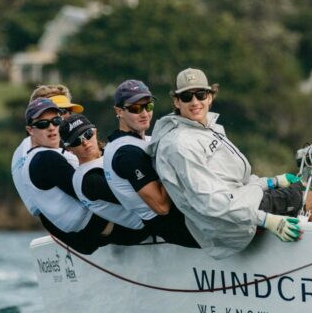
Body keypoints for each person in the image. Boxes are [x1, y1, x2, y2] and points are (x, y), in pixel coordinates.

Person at [150, 68, 303, 260]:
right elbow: (210, 203)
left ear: (210, 97)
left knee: (301, 190)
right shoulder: (180, 144)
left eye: (201, 94)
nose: (195, 102)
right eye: (187, 96)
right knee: (309, 199)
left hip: (241, 205)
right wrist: (267, 220)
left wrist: (270, 182)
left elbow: (234, 181)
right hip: (230, 227)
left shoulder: (210, 128)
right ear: (176, 102)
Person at [10, 97, 120, 254]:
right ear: (30, 130)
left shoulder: (35, 155)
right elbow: (86, 190)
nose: (51, 127)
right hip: (99, 230)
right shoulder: (45, 159)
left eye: (56, 121)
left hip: (84, 234)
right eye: (43, 124)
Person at [104, 79, 199, 248]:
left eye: (148, 106)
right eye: (135, 109)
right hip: (172, 225)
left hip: (184, 213)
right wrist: (175, 164)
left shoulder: (140, 141)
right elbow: (161, 207)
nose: (144, 114)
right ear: (119, 111)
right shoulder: (127, 154)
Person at [60, 114, 149, 245]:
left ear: (95, 131)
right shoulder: (90, 179)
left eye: (88, 134)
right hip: (144, 227)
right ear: (69, 149)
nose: (85, 142)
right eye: (76, 141)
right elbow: (137, 197)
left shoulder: (111, 150)